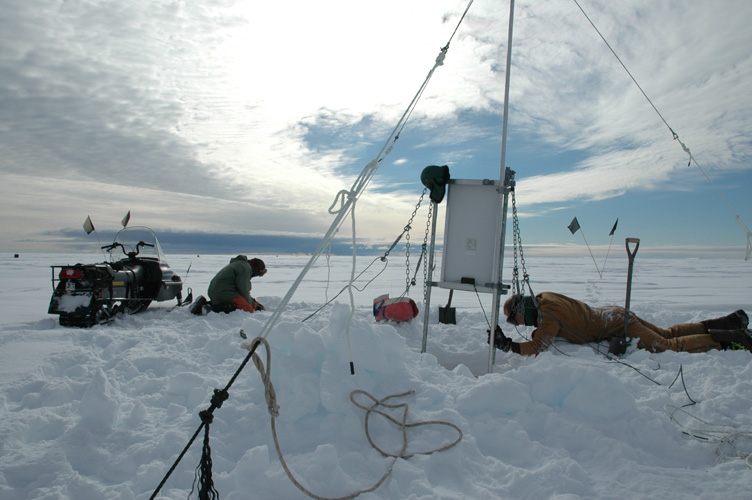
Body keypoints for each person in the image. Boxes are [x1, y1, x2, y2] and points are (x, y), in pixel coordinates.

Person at [492, 292, 750, 356]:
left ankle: (732, 337)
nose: (518, 324)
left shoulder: (548, 317)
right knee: (666, 332)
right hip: (613, 314)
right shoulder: (544, 299)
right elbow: (550, 326)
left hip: (615, 325)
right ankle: (725, 323)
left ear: (520, 311)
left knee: (666, 345)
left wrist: (509, 346)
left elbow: (540, 344)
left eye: (514, 319)